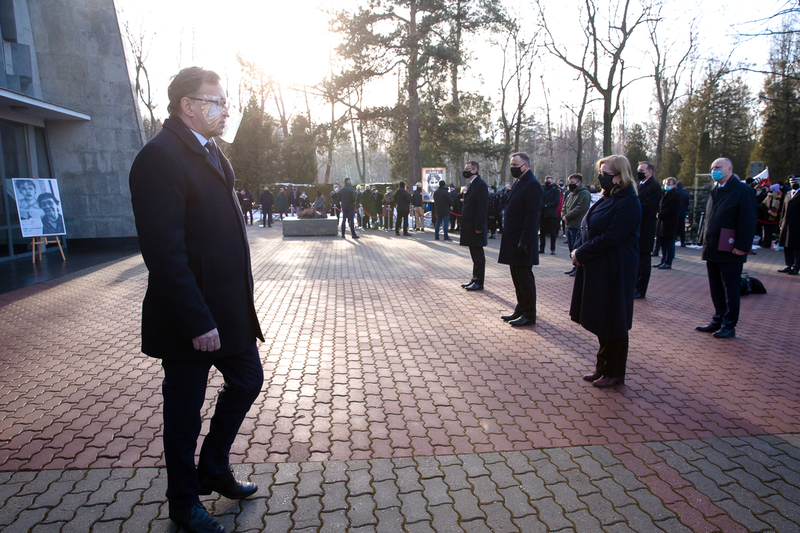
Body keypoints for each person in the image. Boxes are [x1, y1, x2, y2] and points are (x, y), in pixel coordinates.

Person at [128, 67, 263, 533]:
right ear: (188, 104)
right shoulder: (160, 157)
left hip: (227, 311)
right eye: (215, 102)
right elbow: (164, 254)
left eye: (226, 103)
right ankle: (184, 503)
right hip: (190, 319)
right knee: (183, 414)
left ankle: (214, 468)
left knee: (247, 379)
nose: (225, 111)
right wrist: (197, 321)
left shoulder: (211, 152)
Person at [570, 155, 641, 388]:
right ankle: (602, 367)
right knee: (602, 319)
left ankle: (615, 371)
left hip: (615, 270)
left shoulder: (628, 201)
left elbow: (612, 237)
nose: (601, 177)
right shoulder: (608, 196)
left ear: (619, 176)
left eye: (605, 173)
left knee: (614, 320)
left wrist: (582, 253)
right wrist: (579, 248)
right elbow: (588, 224)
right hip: (599, 266)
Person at [695, 157, 757, 339]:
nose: (715, 170)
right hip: (713, 248)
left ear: (729, 169)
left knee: (730, 289)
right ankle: (718, 318)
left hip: (731, 250)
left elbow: (748, 220)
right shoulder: (716, 190)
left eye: (718, 167)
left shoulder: (742, 190)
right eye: (713, 167)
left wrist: (742, 246)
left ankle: (729, 324)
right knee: (716, 288)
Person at [498, 152, 543, 326]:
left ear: (526, 165)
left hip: (522, 240)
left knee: (524, 278)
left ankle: (529, 314)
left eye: (516, 164)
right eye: (511, 164)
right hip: (513, 238)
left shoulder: (532, 185)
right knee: (516, 277)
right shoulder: (520, 182)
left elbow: (531, 216)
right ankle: (520, 309)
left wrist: (524, 241)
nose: (513, 168)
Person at [634, 161, 661, 299]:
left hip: (646, 228)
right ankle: (634, 285)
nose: (639, 172)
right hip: (637, 227)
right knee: (636, 260)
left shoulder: (654, 187)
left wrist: (632, 207)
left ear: (649, 172)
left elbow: (647, 206)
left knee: (644, 260)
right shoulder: (639, 185)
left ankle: (641, 289)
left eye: (642, 170)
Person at [460, 161, 489, 291]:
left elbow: (482, 207)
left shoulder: (480, 185)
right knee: (474, 254)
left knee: (478, 255)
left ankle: (479, 281)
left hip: (475, 226)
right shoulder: (472, 184)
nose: (466, 171)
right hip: (469, 225)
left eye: (468, 169)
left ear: (475, 170)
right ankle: (474, 278)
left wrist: (479, 226)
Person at [562, 173, 591, 277]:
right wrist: (563, 214)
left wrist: (567, 216)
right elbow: (564, 205)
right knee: (571, 247)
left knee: (576, 247)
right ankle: (574, 266)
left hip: (577, 224)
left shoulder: (584, 194)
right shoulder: (570, 193)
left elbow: (581, 208)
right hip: (569, 225)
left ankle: (578, 268)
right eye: (570, 182)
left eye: (572, 183)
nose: (570, 185)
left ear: (579, 182)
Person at [654, 177, 681, 269]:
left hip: (670, 222)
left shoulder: (676, 195)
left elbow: (673, 208)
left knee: (669, 243)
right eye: (665, 184)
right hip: (662, 222)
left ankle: (668, 262)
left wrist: (661, 214)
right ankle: (663, 260)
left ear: (674, 185)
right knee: (663, 243)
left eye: (669, 184)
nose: (666, 186)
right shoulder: (664, 194)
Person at [778, 175, 800, 275]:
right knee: (786, 246)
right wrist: (781, 222)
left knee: (796, 247)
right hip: (786, 224)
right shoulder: (788, 194)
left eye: (795, 182)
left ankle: (796, 266)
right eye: (791, 182)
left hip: (797, 225)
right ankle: (789, 265)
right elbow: (783, 209)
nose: (793, 184)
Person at [538, 175, 560, 255]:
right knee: (542, 232)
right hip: (543, 214)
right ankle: (542, 248)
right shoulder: (542, 190)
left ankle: (552, 249)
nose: (548, 183)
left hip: (551, 214)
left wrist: (546, 205)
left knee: (553, 232)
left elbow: (556, 202)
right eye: (547, 181)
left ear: (553, 182)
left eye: (550, 181)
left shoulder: (556, 191)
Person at [676, 181, 690, 246]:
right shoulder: (685, 193)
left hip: (676, 211)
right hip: (683, 211)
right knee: (682, 227)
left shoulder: (675, 192)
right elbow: (687, 203)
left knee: (675, 226)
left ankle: (674, 238)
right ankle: (682, 241)